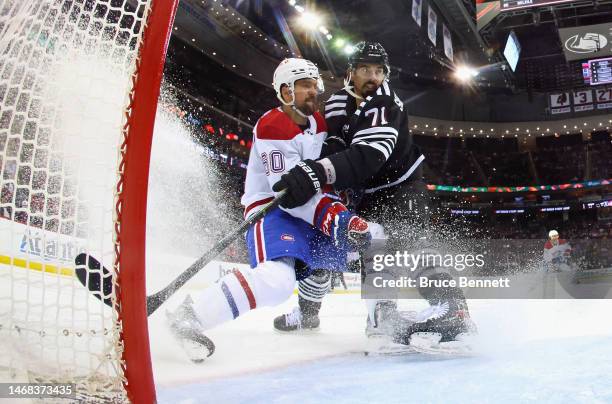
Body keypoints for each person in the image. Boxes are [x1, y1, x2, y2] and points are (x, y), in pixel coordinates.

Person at [165, 58, 372, 362]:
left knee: (373, 248)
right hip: (274, 209)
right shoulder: (273, 126)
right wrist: (338, 219)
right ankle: (192, 315)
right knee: (277, 281)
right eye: (306, 85)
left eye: (315, 84)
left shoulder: (318, 122)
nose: (314, 90)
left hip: (312, 209)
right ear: (287, 92)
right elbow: (292, 195)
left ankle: (346, 318)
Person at [272, 42, 474, 345]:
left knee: (409, 243)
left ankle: (453, 309)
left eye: (379, 70)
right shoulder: (338, 101)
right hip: (363, 192)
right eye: (365, 69)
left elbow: (367, 156)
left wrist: (314, 174)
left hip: (401, 186)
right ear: (350, 72)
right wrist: (311, 173)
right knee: (344, 247)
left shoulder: (385, 103)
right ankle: (363, 314)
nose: (373, 76)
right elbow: (333, 146)